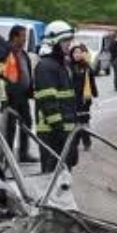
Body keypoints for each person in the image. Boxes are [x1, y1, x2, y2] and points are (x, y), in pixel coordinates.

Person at [35, 20, 80, 173]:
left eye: (69, 40)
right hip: (52, 134)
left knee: (63, 182)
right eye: (65, 41)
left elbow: (68, 103)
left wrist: (72, 140)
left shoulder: (60, 65)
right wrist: (61, 134)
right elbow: (49, 103)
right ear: (53, 42)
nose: (69, 44)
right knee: (51, 182)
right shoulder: (46, 67)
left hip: (63, 134)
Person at [3, 25, 36, 163]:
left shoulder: (23, 53)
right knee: (10, 126)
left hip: (23, 96)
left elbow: (26, 72)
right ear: (15, 36)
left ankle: (23, 153)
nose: (25, 39)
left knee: (27, 122)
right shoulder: (6, 51)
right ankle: (8, 156)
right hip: (11, 96)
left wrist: (30, 90)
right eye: (23, 36)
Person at [70, 43, 99, 152]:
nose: (77, 55)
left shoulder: (86, 67)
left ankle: (87, 142)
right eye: (74, 52)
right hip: (72, 98)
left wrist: (95, 94)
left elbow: (92, 82)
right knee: (75, 121)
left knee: (84, 121)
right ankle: (75, 141)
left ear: (83, 54)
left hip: (84, 98)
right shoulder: (68, 67)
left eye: (79, 52)